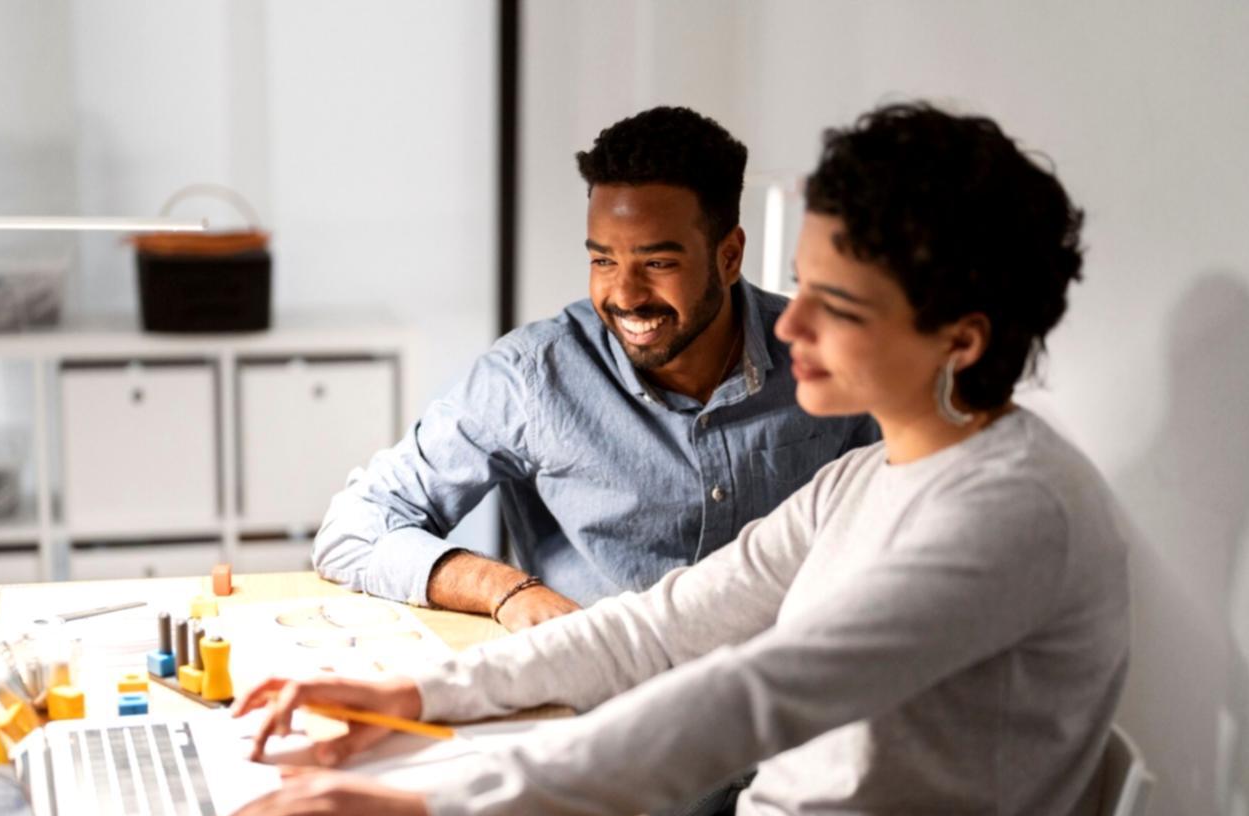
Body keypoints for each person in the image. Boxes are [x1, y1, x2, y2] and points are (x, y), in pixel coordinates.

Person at [215, 102, 1127, 816]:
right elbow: (659, 625)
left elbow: (751, 695)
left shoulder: (1006, 515)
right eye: (802, 285)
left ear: (959, 342)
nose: (791, 323)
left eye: (836, 305)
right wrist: (411, 693)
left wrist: (435, 810)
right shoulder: (875, 471)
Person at [313, 106, 877, 631]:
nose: (625, 295)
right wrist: (504, 590)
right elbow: (354, 528)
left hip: (786, 702)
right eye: (603, 260)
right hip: (596, 702)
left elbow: (893, 521)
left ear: (728, 256)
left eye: (657, 262)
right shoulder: (533, 377)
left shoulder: (823, 359)